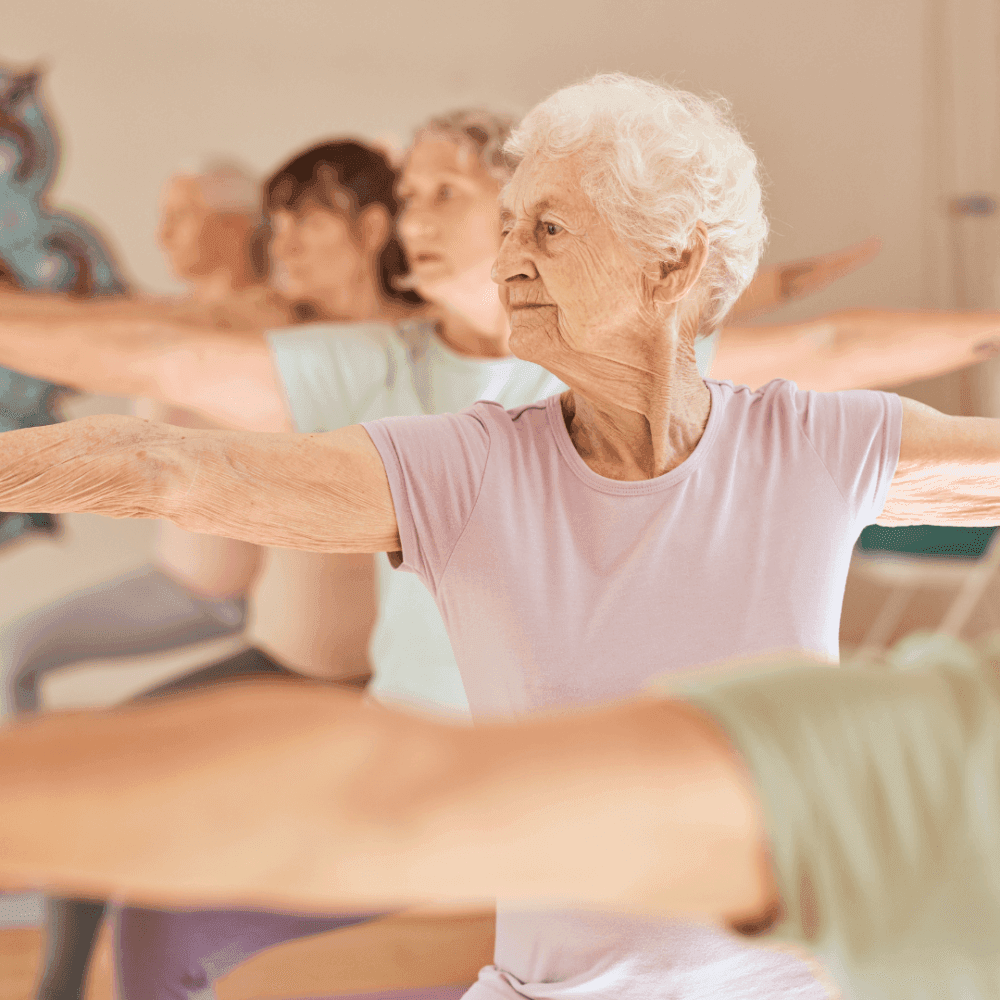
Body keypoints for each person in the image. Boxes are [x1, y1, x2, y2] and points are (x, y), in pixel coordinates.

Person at [0, 70, 995, 997]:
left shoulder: (813, 442)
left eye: (549, 228)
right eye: (509, 224)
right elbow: (173, 468)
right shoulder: (465, 467)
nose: (507, 256)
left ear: (674, 260)